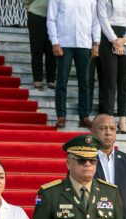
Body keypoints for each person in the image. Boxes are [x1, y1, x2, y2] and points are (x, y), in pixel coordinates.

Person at [48, 0, 100, 129]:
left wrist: (96, 42)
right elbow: (51, 19)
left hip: (84, 43)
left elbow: (95, 21)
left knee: (85, 83)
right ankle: (61, 116)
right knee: (61, 81)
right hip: (64, 43)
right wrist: (54, 41)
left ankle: (84, 116)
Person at [97, 0, 126, 134]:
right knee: (110, 81)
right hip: (109, 36)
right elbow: (102, 19)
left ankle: (122, 120)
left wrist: (124, 39)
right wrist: (115, 40)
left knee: (124, 82)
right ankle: (109, 120)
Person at [24, 0, 56, 90]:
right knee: (37, 49)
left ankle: (51, 79)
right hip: (36, 14)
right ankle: (38, 79)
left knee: (52, 49)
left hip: (55, 17)